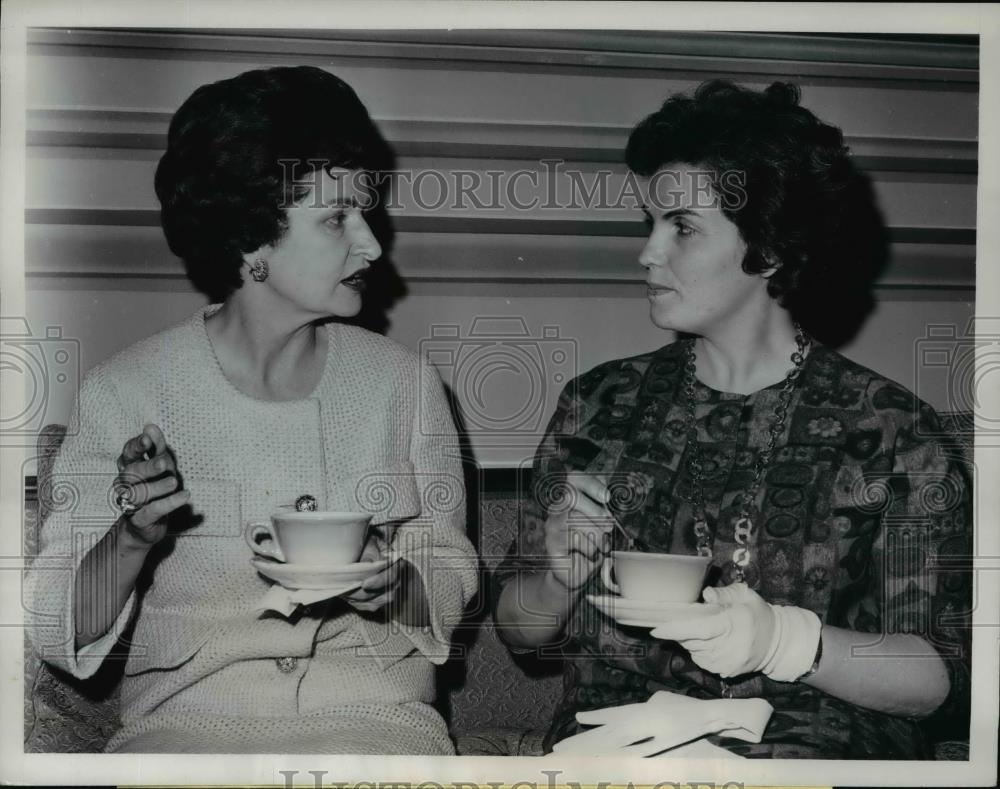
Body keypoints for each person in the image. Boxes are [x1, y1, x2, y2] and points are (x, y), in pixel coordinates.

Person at [494, 80, 972, 759]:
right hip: (621, 747)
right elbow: (520, 631)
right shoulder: (598, 403)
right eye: (649, 223)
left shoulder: (893, 428)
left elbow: (943, 677)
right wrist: (558, 579)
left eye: (682, 227)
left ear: (769, 249)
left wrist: (785, 642)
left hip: (810, 749)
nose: (648, 252)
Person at [25, 66, 478, 754]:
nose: (372, 244)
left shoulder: (406, 384)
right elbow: (60, 627)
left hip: (378, 727)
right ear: (250, 238)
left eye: (364, 213)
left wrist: (393, 583)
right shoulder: (124, 390)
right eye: (336, 218)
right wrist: (133, 535)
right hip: (184, 735)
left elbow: (449, 571)